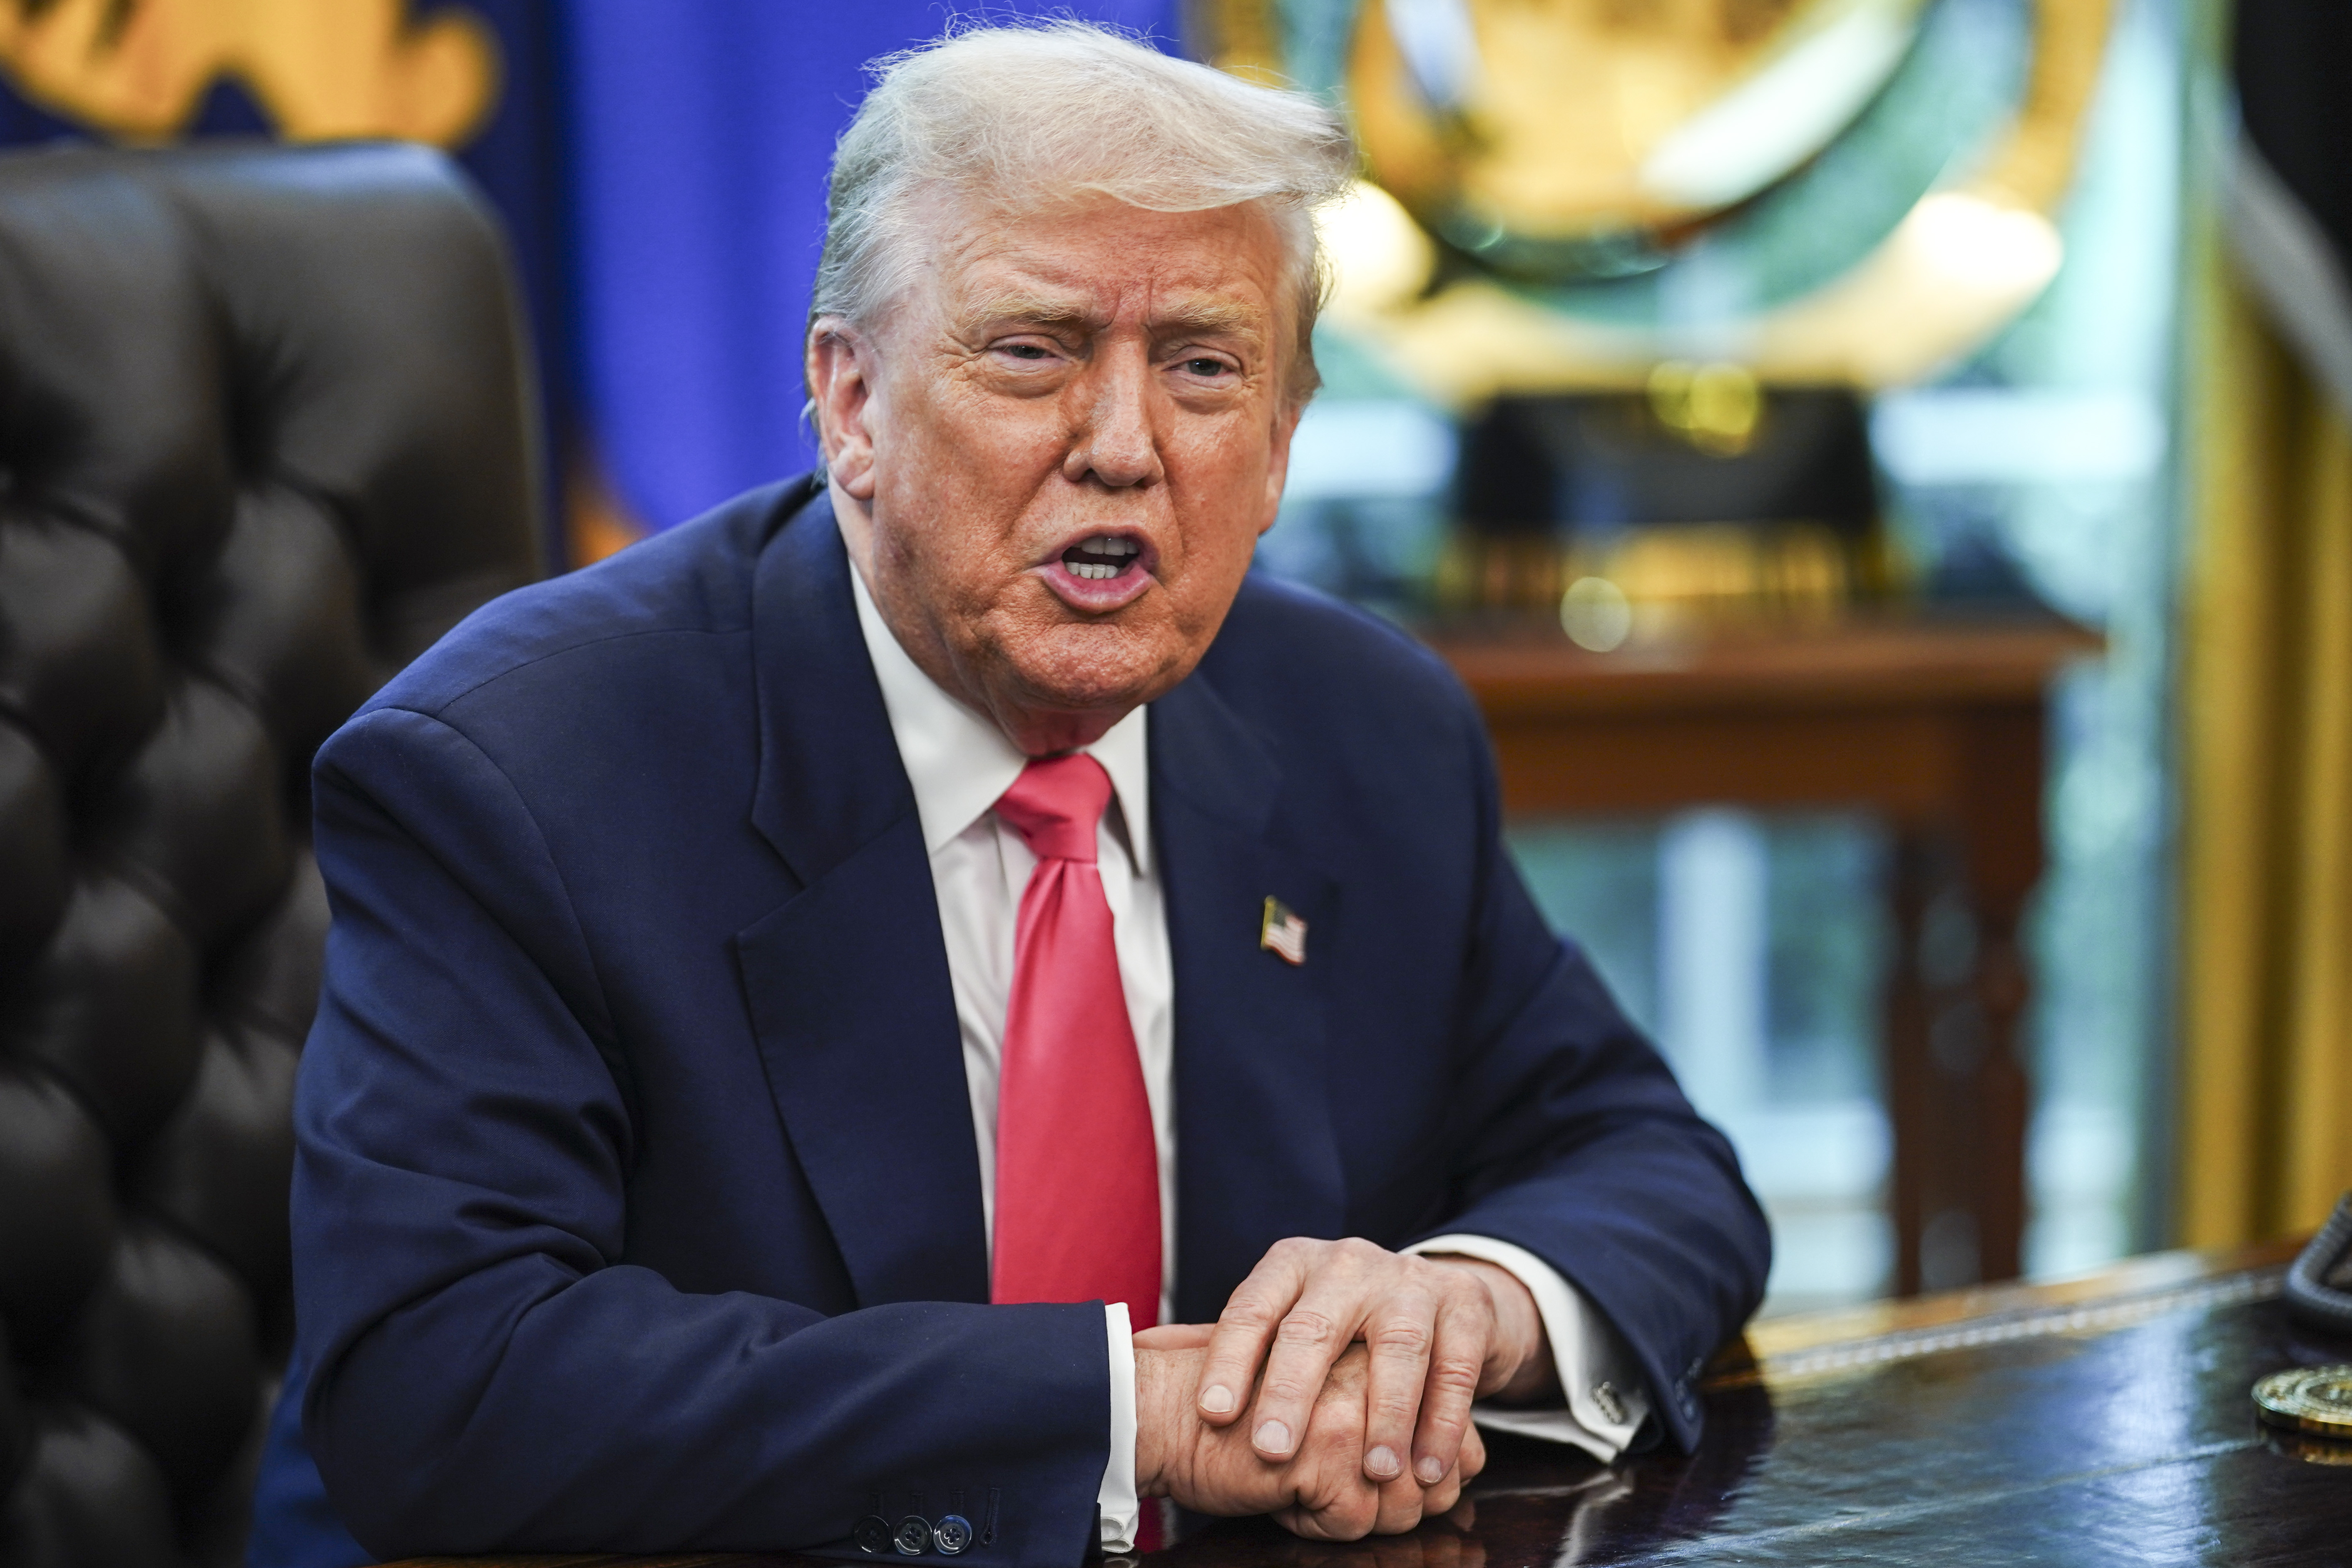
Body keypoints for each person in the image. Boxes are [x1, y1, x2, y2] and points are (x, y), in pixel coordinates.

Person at [273, 22, 1769, 1566]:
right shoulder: (520, 773)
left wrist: (1464, 1308)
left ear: (1276, 450)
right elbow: (448, 1391)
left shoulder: (1362, 728)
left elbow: (1651, 1166)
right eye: (1034, 351)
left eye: (1202, 368)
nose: (1123, 448)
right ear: (850, 404)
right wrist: (1124, 1409)